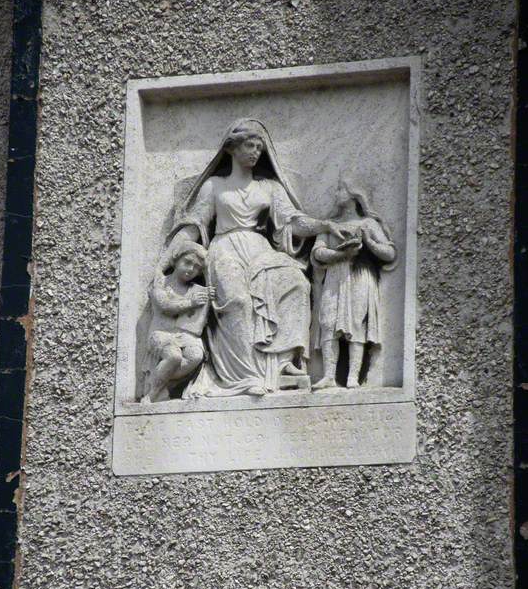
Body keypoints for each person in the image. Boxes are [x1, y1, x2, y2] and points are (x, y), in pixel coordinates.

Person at [161, 118, 346, 397]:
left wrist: (325, 225)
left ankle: (283, 364)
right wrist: (166, 262)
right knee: (237, 300)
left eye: (259, 147)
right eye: (249, 145)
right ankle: (244, 376)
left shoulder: (269, 187)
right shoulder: (214, 186)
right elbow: (194, 226)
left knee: (297, 282)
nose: (255, 152)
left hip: (259, 249)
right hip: (225, 248)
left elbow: (293, 222)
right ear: (232, 149)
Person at [311, 176, 396, 389]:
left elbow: (389, 253)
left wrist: (369, 242)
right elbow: (318, 252)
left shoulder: (368, 224)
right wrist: (340, 255)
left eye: (341, 189)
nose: (336, 193)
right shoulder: (329, 225)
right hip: (335, 275)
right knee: (328, 321)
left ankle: (352, 377)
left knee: (357, 322)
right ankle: (329, 375)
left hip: (360, 276)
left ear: (352, 194)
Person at [141, 240, 214, 403]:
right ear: (176, 259)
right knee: (173, 356)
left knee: (195, 355)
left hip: (184, 335)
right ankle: (152, 393)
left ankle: (164, 382)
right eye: (187, 262)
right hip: (161, 333)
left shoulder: (195, 289)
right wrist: (191, 302)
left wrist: (210, 297)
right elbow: (164, 306)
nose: (190, 270)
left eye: (196, 268)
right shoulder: (161, 282)